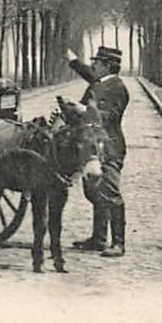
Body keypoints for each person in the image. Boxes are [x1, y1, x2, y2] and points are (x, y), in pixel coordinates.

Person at [68, 46, 129, 257]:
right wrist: (73, 60)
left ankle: (119, 243)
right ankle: (99, 239)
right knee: (93, 190)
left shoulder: (118, 88)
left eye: (97, 63)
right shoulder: (101, 82)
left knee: (110, 191)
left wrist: (84, 110)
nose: (93, 65)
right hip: (92, 144)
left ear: (107, 66)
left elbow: (110, 116)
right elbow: (88, 73)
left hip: (109, 146)